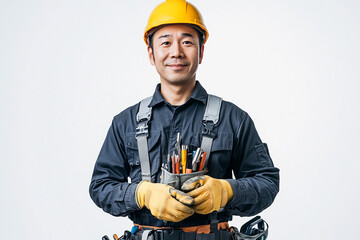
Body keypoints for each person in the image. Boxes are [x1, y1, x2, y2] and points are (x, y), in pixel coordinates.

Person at [89, 0, 279, 239]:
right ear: (151, 53)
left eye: (187, 41)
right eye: (165, 42)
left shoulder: (234, 119)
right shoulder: (125, 123)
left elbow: (268, 182)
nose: (176, 52)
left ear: (201, 51)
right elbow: (100, 187)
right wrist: (141, 193)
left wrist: (226, 190)